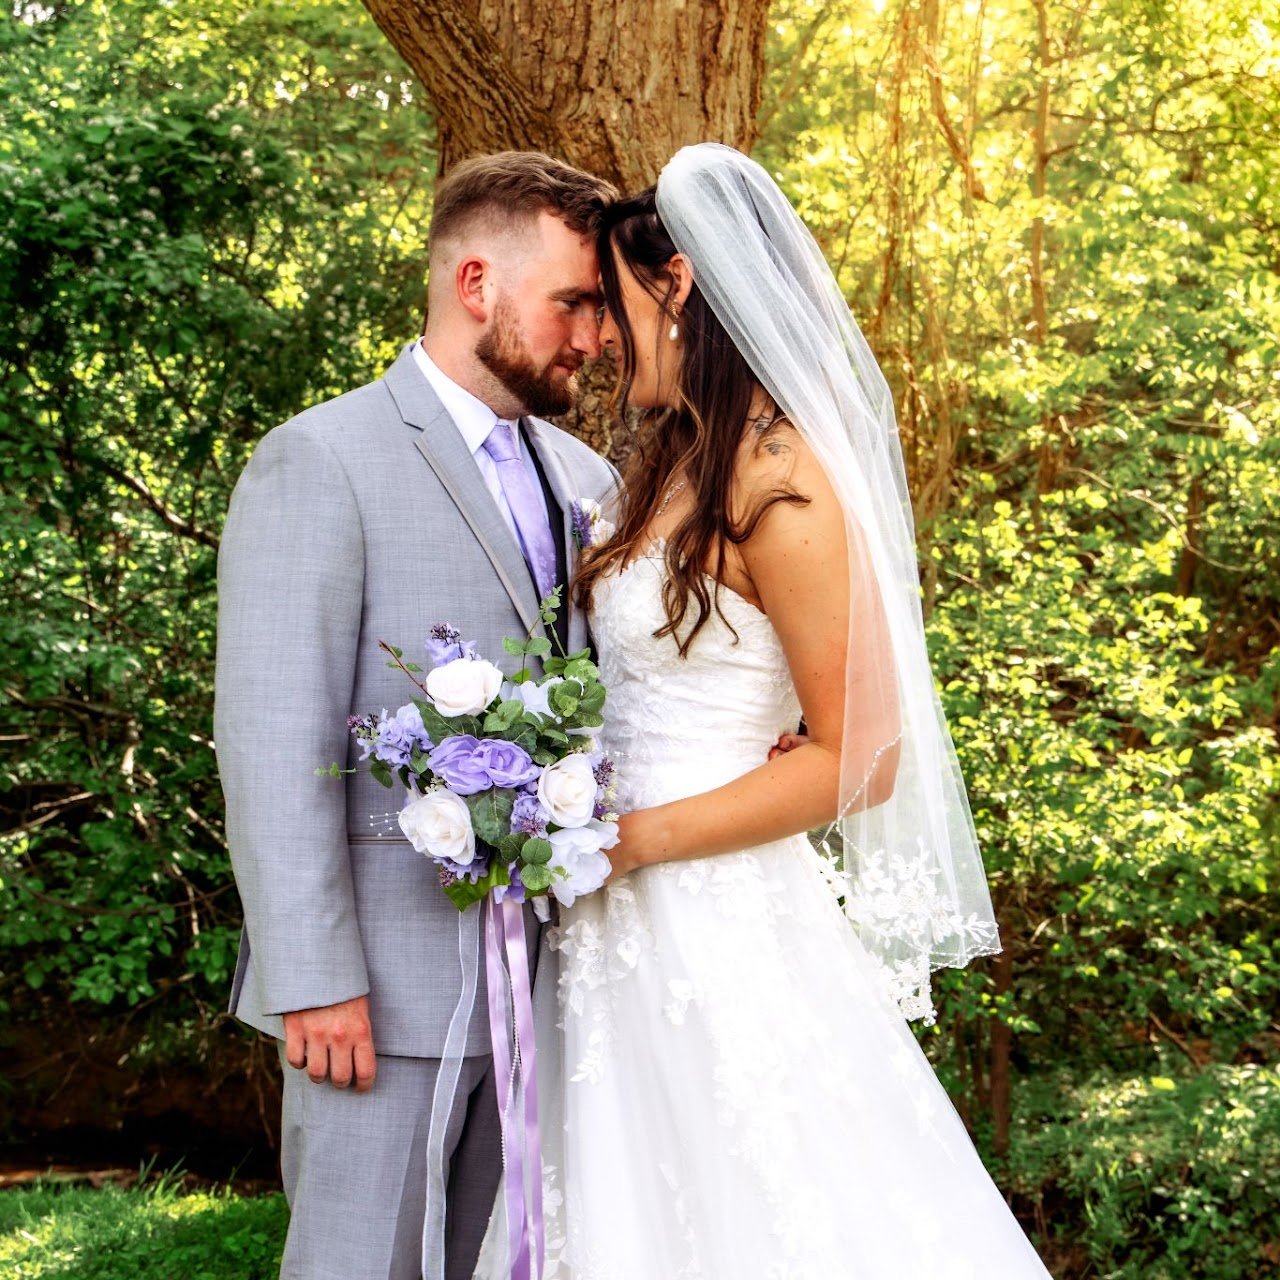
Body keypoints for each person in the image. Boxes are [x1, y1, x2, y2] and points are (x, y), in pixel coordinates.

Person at [481, 144, 1054, 1277]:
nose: (598, 335)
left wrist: (632, 838)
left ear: (679, 284)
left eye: (612, 300)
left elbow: (861, 756)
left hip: (714, 910)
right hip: (609, 921)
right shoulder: (673, 466)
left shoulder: (781, 480)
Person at [214, 151, 620, 1280]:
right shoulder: (319, 460)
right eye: (572, 303)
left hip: (552, 987)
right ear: (477, 282)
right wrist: (312, 974)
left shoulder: (589, 479)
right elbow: (270, 734)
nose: (591, 337)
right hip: (375, 998)